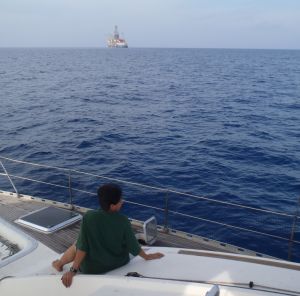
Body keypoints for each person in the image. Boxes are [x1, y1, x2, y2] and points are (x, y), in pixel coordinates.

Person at [52, 183, 164, 287]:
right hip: (119, 262)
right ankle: (60, 263)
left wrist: (72, 271)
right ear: (112, 206)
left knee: (77, 243)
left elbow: (83, 247)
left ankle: (59, 264)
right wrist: (147, 257)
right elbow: (133, 246)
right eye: (120, 200)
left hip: (93, 269)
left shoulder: (89, 217)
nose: (122, 201)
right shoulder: (123, 220)